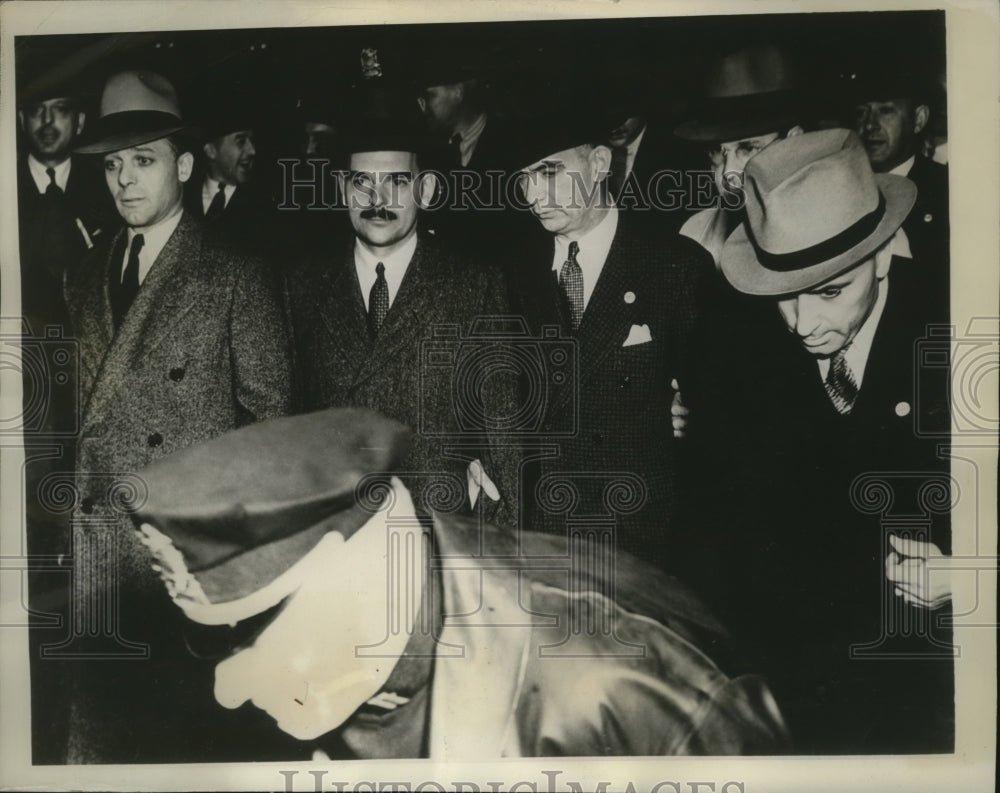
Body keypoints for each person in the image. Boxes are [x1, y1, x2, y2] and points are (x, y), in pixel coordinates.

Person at [126, 406, 790, 760]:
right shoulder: (345, 656)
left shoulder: (633, 684)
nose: (227, 690)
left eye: (254, 633)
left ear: (360, 584)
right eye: (210, 640)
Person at [682, 128, 953, 753]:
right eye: (785, 297)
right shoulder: (737, 349)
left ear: (885, 256)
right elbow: (712, 527)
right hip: (787, 692)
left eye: (830, 292)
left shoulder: (957, 331)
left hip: (924, 692)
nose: (804, 325)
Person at [61, 69, 295, 763]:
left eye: (143, 160)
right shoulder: (84, 273)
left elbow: (273, 436)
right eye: (112, 164)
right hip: (102, 569)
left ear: (185, 166)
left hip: (186, 578)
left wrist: (231, 570)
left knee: (183, 754)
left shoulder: (233, 274)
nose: (124, 180)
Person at [285, 84, 518, 528]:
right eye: (362, 182)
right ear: (341, 189)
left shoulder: (474, 284)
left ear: (426, 190)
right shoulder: (300, 286)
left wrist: (495, 540)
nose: (378, 201)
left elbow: (502, 432)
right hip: (334, 535)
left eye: (396, 182)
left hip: (439, 534)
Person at [506, 104, 712, 566]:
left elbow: (718, 403)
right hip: (540, 539)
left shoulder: (675, 265)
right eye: (524, 178)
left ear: (599, 163)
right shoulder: (507, 272)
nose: (534, 194)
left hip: (641, 540)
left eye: (549, 172)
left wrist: (693, 416)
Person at [674, 44, 804, 267]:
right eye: (717, 152)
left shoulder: (833, 224)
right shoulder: (695, 235)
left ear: (794, 142)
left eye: (748, 148)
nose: (728, 173)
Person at [848, 64, 949, 287]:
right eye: (861, 112)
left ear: (919, 119)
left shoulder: (947, 191)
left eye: (885, 111)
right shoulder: (839, 187)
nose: (870, 125)